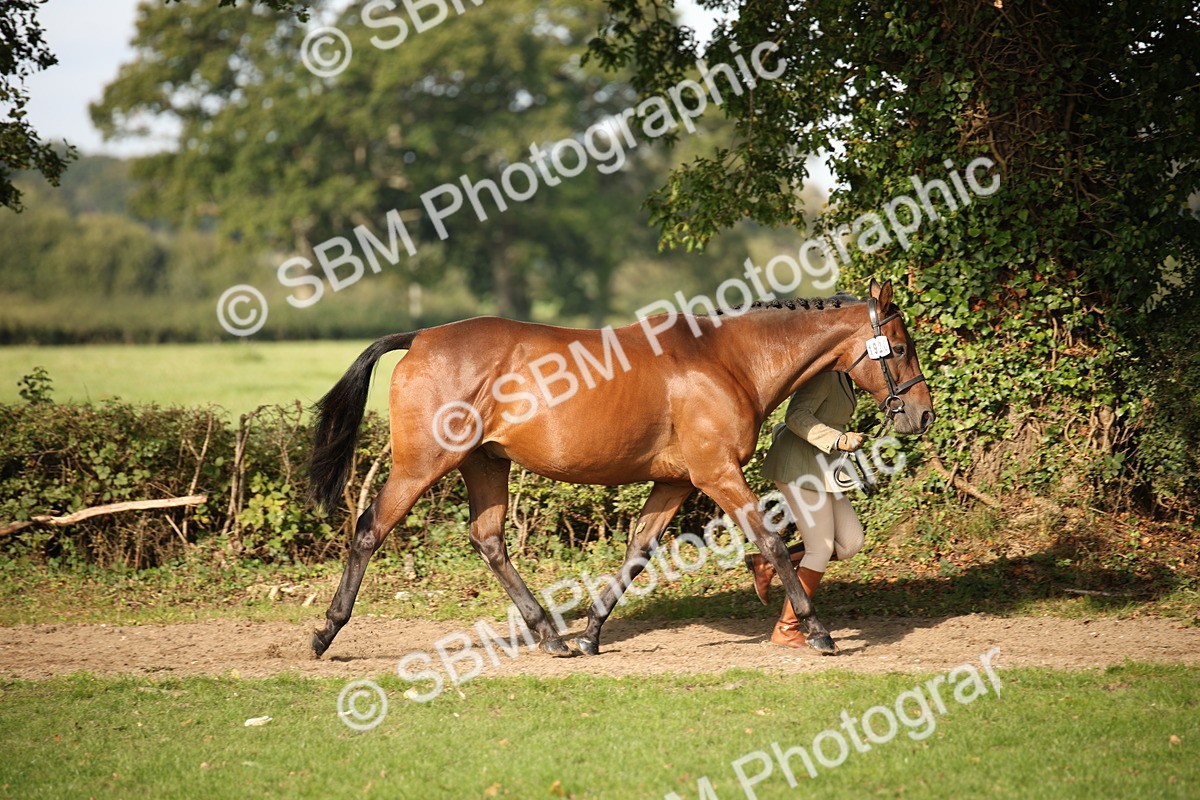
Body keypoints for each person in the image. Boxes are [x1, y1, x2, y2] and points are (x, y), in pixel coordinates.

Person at [746, 370, 866, 648]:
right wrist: (837, 439)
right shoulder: (825, 374)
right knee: (820, 548)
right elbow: (796, 415)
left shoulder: (843, 376)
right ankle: (786, 628)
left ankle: (766, 563)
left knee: (850, 542)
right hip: (798, 465)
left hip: (823, 468)